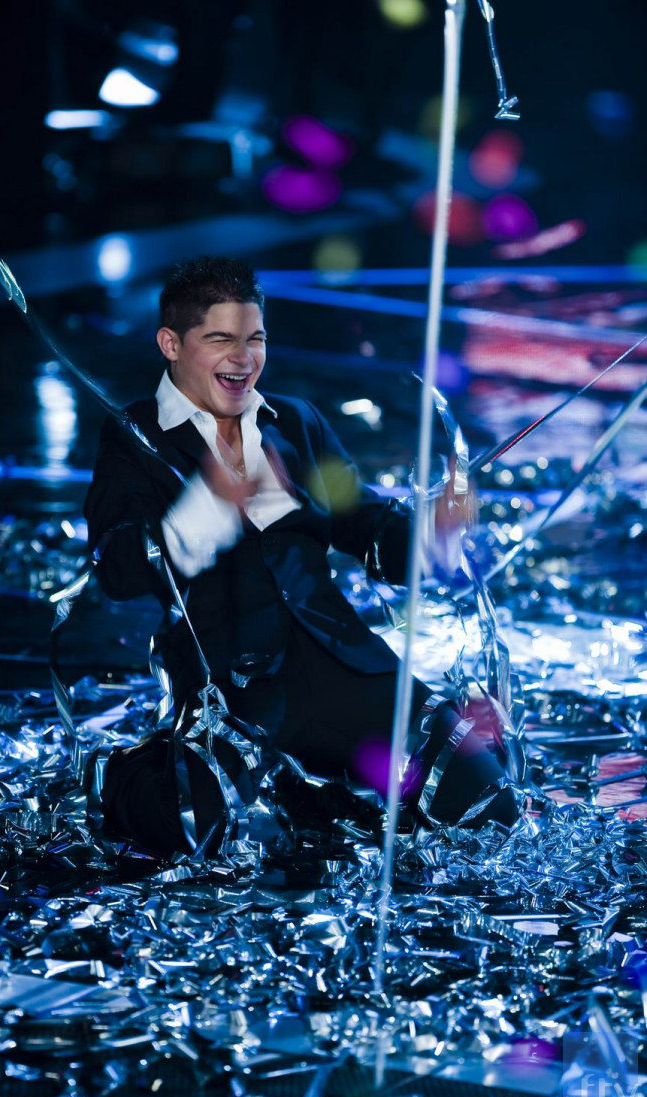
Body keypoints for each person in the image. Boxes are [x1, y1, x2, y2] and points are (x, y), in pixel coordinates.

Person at [85, 256, 517, 853]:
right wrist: (208, 507)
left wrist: (431, 534)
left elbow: (361, 522)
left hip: (346, 671)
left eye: (255, 339)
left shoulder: (296, 422)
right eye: (221, 340)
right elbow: (116, 569)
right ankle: (130, 775)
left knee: (487, 805)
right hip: (232, 695)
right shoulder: (135, 436)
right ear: (171, 344)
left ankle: (323, 796)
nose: (244, 358)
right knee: (198, 835)